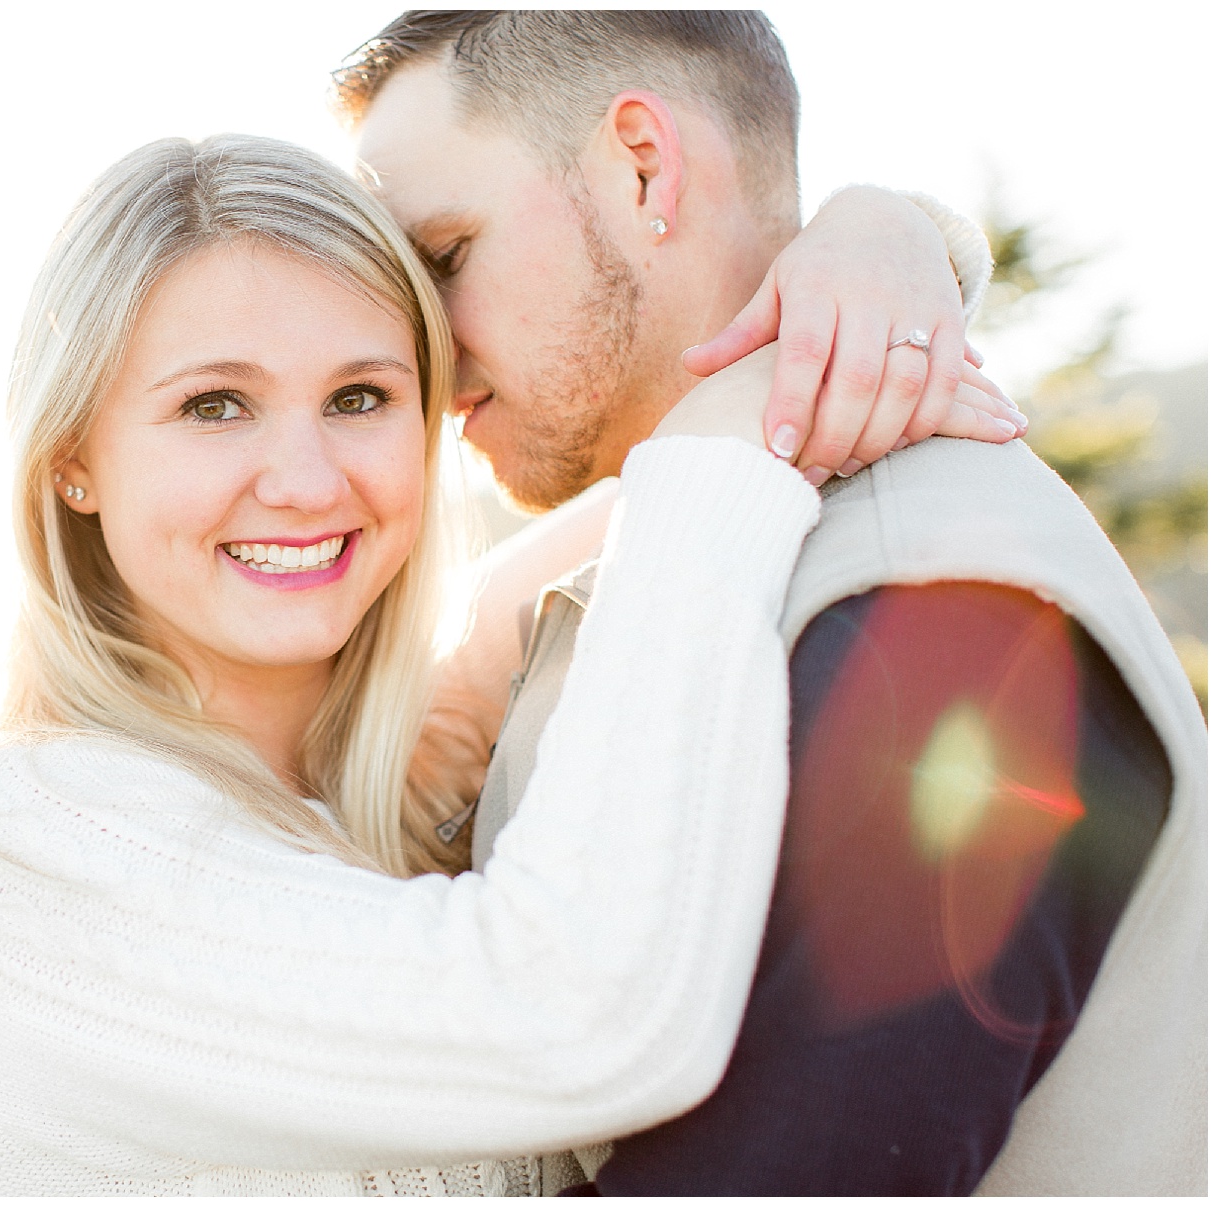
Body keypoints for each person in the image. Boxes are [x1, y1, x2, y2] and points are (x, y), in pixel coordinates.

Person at [0, 132, 1015, 1195]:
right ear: (72, 457)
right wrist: (735, 433)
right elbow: (579, 1016)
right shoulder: (16, 840)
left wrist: (886, 235)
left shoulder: (376, 782)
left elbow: (656, 508)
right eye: (215, 404)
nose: (311, 479)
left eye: (362, 396)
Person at [337, 10, 1205, 1195]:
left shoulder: (944, 608)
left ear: (645, 165)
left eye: (444, 256)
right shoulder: (663, 569)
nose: (421, 357)